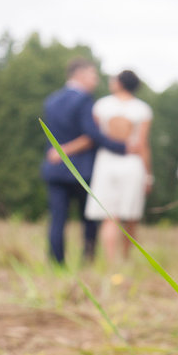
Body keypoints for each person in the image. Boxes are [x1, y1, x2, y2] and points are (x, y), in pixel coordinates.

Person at [40, 57, 131, 264]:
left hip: (54, 167)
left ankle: (56, 263)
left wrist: (60, 151)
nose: (96, 80)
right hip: (81, 169)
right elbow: (93, 135)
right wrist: (122, 147)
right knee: (89, 218)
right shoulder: (84, 100)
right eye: (92, 75)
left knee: (57, 219)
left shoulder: (51, 100)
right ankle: (87, 260)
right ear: (79, 75)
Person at [85, 70, 153, 262]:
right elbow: (143, 145)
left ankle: (110, 263)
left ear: (120, 83)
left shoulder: (102, 105)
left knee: (110, 216)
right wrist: (148, 175)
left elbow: (96, 136)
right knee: (131, 215)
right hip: (132, 164)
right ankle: (126, 259)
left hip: (106, 162)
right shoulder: (142, 109)